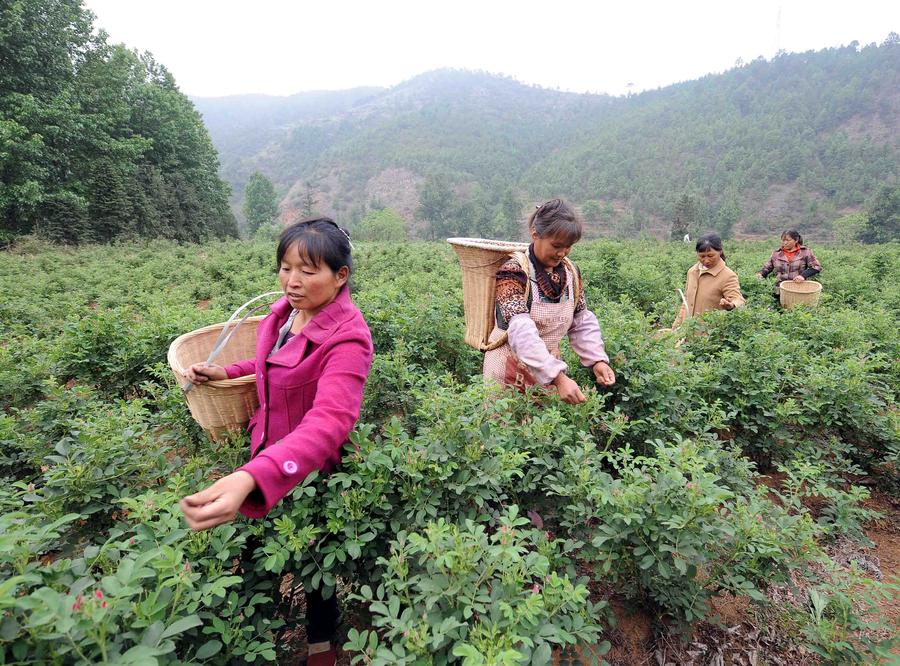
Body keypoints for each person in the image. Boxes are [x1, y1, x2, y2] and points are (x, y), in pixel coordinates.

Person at [180, 218, 373, 666]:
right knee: (255, 551)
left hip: (310, 469)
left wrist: (255, 475)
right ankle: (253, 632)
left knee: (316, 562)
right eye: (285, 268)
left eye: (308, 270)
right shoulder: (284, 314)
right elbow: (271, 360)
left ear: (340, 275)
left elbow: (331, 419)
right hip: (263, 450)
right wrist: (226, 372)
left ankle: (322, 643)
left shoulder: (349, 336)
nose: (292, 281)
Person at [483, 198, 615, 404]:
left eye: (568, 247)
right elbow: (520, 331)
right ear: (535, 234)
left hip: (548, 368)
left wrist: (597, 360)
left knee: (542, 430)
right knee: (505, 428)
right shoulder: (513, 272)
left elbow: (580, 320)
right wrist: (559, 378)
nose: (562, 253)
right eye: (556, 245)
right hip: (508, 366)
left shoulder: (571, 273)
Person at [672, 233, 745, 328]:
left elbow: (738, 299)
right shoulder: (692, 272)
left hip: (709, 336)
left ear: (720, 251)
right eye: (702, 256)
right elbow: (686, 302)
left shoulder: (727, 275)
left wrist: (731, 305)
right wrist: (676, 327)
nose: (706, 260)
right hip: (686, 333)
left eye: (710, 256)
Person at [756, 229, 822, 301]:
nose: (785, 243)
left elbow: (816, 267)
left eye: (788, 240)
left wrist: (803, 276)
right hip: (779, 289)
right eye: (783, 240)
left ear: (796, 240)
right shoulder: (777, 253)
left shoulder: (805, 252)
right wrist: (760, 274)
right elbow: (767, 268)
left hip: (798, 289)